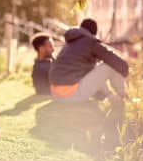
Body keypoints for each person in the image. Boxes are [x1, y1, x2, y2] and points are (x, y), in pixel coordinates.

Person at [49, 18, 129, 148]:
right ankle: (123, 96)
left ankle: (111, 96)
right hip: (70, 94)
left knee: (95, 67)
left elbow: (89, 73)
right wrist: (126, 72)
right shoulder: (91, 42)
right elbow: (118, 62)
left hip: (56, 93)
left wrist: (105, 93)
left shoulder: (71, 42)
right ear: (94, 32)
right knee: (108, 66)